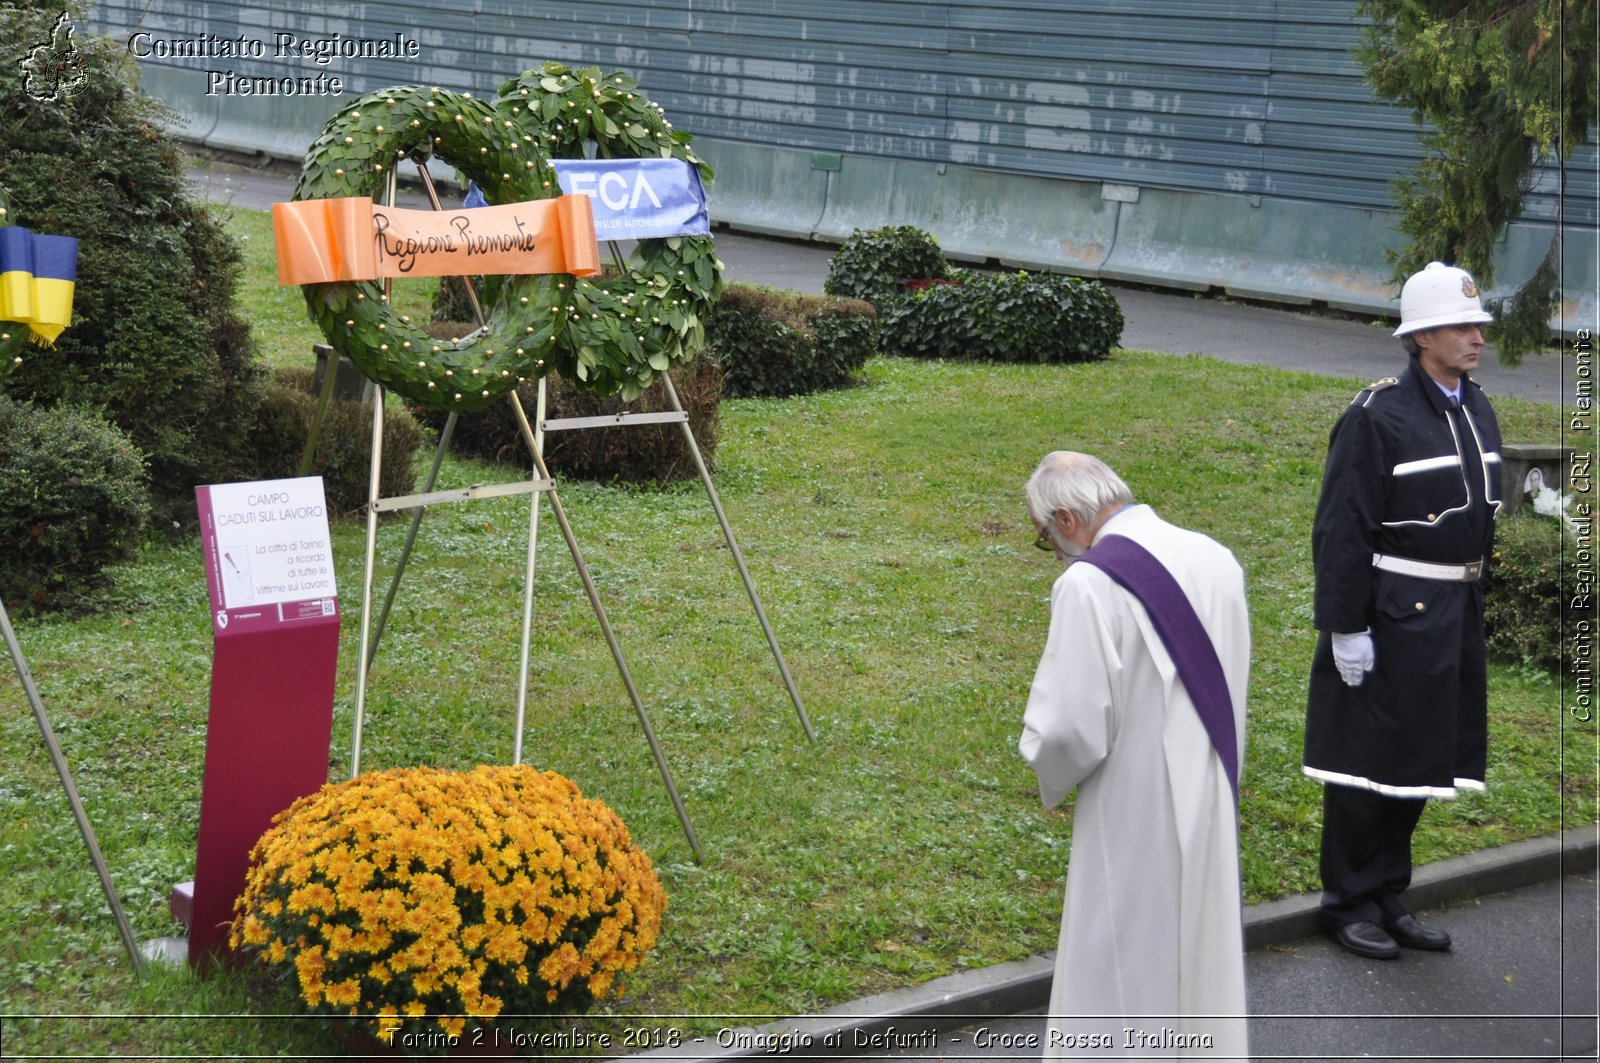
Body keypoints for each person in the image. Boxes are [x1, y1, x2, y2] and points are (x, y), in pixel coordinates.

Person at [1019, 452, 1250, 1060]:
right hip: (1212, 783)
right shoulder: (1214, 557)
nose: (1055, 551)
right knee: (1198, 952)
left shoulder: (1090, 583)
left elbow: (1070, 729)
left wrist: (1044, 767)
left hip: (1132, 799)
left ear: (1066, 518)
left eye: (1046, 539)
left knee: (1120, 952)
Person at [1302, 261, 1503, 960]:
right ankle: (1348, 899)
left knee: (1420, 756)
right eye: (1462, 325)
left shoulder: (1475, 405)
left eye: (1478, 325)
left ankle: (1389, 890)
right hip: (1391, 609)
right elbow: (1342, 530)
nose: (1477, 336)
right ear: (1422, 337)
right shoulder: (1376, 415)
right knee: (1366, 762)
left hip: (1453, 607)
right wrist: (1346, 626)